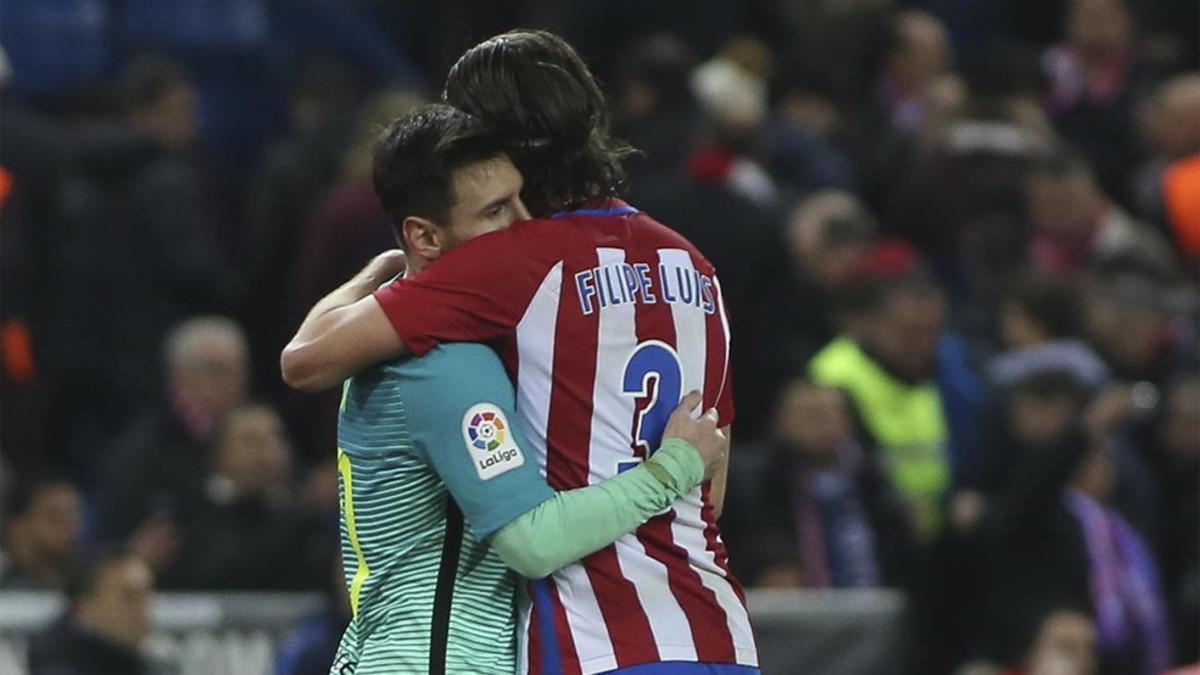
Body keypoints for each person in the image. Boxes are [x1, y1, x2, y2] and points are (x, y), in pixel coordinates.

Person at [282, 30, 758, 674]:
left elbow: (305, 359)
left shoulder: (504, 266)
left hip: (587, 641)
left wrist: (375, 276)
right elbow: (712, 486)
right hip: (717, 632)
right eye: (492, 208)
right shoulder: (693, 265)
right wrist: (668, 470)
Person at [94, 316, 250, 572]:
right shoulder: (144, 451)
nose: (235, 380)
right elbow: (112, 537)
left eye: (240, 368)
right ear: (179, 375)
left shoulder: (260, 435)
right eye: (218, 369)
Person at [26, 549, 155, 675]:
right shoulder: (56, 665)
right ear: (84, 605)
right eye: (129, 598)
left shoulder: (141, 661)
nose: (142, 611)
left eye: (146, 597)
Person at [0, 474, 82, 589]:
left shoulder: (89, 580)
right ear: (18, 525)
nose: (71, 527)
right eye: (55, 517)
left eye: (73, 516)